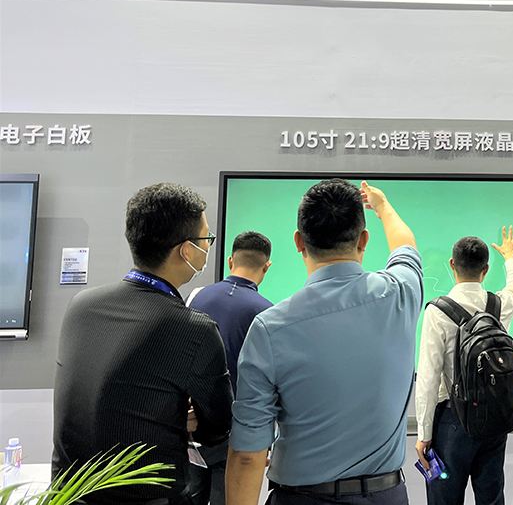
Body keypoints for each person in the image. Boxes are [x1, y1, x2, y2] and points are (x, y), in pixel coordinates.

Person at [226, 179, 423, 505]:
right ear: (363, 240)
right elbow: (405, 245)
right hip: (386, 496)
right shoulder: (401, 292)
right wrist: (383, 207)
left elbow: (248, 455)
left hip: (302, 499)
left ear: (298, 241)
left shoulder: (269, 328)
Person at [52, 183, 233, 505]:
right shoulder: (194, 329)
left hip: (66, 495)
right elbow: (217, 427)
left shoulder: (81, 306)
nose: (209, 246)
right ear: (187, 251)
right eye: (207, 238)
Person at [415, 227, 513, 505]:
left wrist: (424, 434)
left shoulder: (438, 311)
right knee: (491, 497)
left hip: (452, 421)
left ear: (452, 264)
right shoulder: (499, 305)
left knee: (445, 499)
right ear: (486, 269)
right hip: (494, 419)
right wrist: (510, 257)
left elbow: (428, 377)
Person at [186, 231, 274, 505]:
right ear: (266, 267)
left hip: (191, 427)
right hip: (236, 435)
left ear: (229, 261)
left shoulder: (195, 298)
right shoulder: (267, 313)